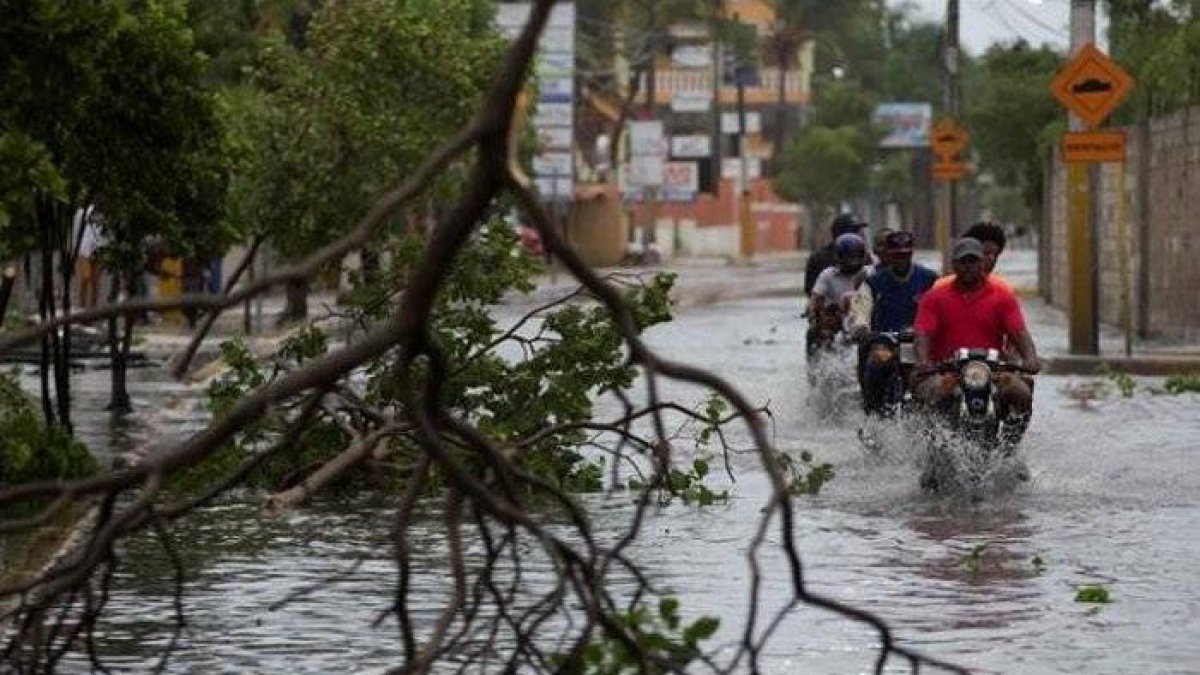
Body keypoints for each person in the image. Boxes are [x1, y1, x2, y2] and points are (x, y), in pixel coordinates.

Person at [911, 237, 1041, 444]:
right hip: (947, 370)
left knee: (1020, 393)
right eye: (963, 261)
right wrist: (923, 360)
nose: (968, 266)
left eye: (973, 261)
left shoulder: (1002, 297)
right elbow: (922, 334)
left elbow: (1019, 332)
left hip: (992, 370)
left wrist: (1030, 358)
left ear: (983, 263)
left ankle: (1009, 449)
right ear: (954, 265)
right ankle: (933, 448)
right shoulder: (935, 297)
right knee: (934, 394)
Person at [849, 231, 939, 414]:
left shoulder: (930, 279)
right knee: (876, 362)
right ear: (888, 255)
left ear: (912, 253)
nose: (901, 259)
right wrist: (860, 328)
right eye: (897, 255)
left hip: (919, 345)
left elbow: (943, 309)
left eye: (906, 254)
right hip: (885, 344)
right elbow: (860, 310)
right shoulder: (873, 283)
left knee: (938, 374)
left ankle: (937, 418)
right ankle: (873, 414)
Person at [807, 233, 867, 355]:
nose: (853, 261)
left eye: (856, 256)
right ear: (839, 256)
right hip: (836, 320)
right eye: (850, 257)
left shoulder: (870, 274)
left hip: (864, 319)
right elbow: (816, 298)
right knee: (814, 333)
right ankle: (816, 364)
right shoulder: (828, 275)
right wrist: (815, 314)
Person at [804, 213, 866, 296]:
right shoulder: (818, 258)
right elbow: (811, 291)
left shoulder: (863, 256)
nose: (860, 234)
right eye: (855, 231)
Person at [72, 204, 104, 310]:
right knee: (84, 279)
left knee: (95, 282)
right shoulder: (82, 212)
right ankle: (82, 307)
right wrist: (75, 249)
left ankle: (93, 309)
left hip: (99, 250)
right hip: (84, 250)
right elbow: (76, 231)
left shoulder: (105, 215)